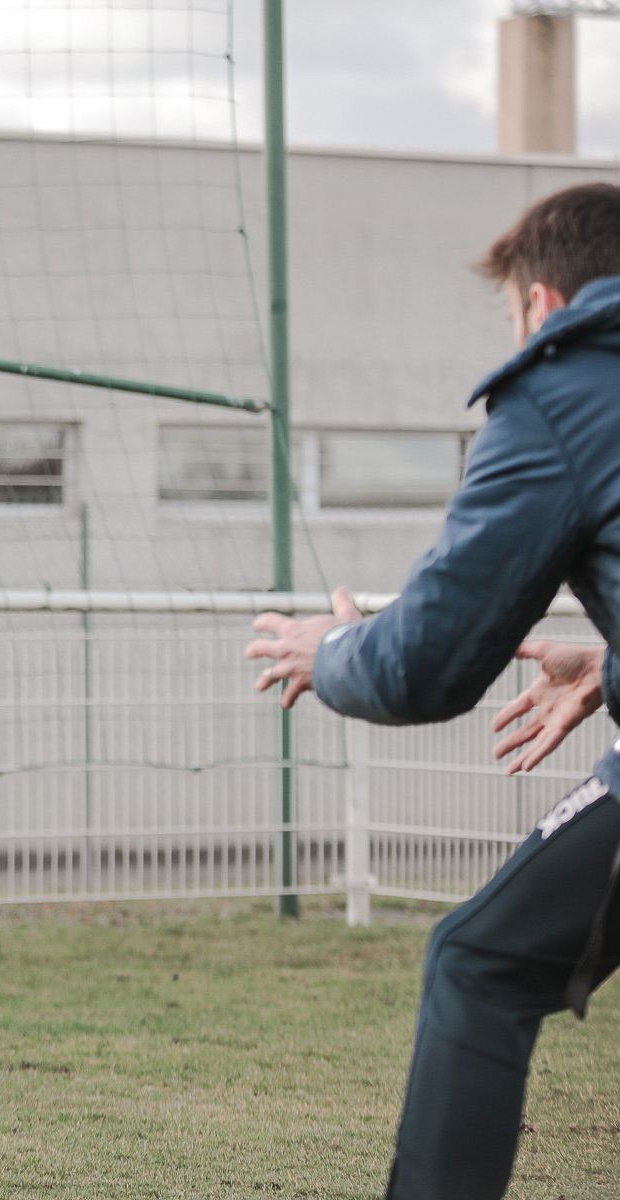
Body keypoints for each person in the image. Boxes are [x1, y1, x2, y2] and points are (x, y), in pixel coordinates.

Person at [245, 181, 620, 1200]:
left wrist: (332, 648)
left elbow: (426, 663)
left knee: (478, 961)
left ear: (541, 305)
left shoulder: (564, 383)